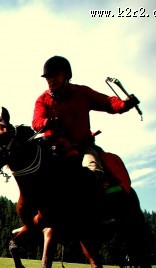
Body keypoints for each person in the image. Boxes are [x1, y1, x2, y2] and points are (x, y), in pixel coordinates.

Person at [32, 55, 140, 185]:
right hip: (54, 149)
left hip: (83, 147)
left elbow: (107, 102)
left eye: (55, 75)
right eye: (48, 77)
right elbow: (36, 122)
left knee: (93, 170)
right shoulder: (42, 100)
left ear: (66, 75)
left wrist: (123, 105)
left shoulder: (82, 92)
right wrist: (47, 122)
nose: (51, 80)